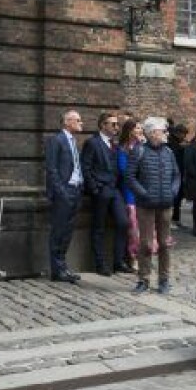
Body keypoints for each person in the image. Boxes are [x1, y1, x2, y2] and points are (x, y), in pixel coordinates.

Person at [125, 117, 180, 294]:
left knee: (165, 244)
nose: (166, 134)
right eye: (163, 131)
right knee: (146, 244)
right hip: (146, 206)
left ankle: (164, 280)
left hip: (165, 204)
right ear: (152, 133)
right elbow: (130, 177)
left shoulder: (169, 152)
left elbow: (176, 175)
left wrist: (172, 192)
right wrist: (144, 194)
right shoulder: (139, 151)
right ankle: (143, 279)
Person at [80, 112, 130, 276]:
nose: (117, 127)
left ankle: (118, 261)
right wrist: (94, 188)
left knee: (123, 222)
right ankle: (100, 263)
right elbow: (85, 167)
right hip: (100, 190)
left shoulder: (114, 144)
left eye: (117, 124)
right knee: (99, 227)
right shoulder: (92, 143)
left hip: (114, 190)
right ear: (103, 125)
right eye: (113, 124)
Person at [45, 110, 85, 283]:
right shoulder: (57, 140)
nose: (81, 123)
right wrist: (61, 191)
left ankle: (63, 267)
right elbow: (52, 169)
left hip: (75, 191)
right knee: (59, 231)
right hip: (64, 192)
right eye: (78, 120)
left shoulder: (73, 141)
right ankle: (57, 270)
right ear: (67, 122)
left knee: (68, 231)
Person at [116, 119, 152, 272]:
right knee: (133, 229)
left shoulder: (143, 147)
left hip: (143, 191)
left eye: (140, 129)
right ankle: (133, 257)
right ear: (130, 130)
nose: (139, 131)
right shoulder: (123, 149)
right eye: (137, 128)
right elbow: (124, 171)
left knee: (146, 228)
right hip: (130, 192)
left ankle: (145, 256)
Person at [168, 122, 189, 229]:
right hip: (173, 174)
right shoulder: (171, 142)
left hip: (180, 173)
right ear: (178, 133)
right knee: (174, 198)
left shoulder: (180, 142)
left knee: (179, 198)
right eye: (183, 134)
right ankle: (171, 220)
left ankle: (176, 219)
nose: (184, 137)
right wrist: (181, 148)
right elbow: (173, 154)